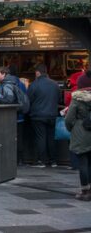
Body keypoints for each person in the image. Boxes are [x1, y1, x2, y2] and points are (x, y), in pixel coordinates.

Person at [27, 64, 60, 168]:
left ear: (37, 72)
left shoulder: (34, 84)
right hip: (52, 115)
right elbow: (59, 98)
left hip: (38, 115)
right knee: (51, 138)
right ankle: (53, 161)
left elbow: (28, 100)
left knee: (40, 138)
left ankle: (42, 161)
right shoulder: (55, 84)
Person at [65, 71, 91, 201]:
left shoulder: (77, 98)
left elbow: (69, 119)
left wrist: (73, 128)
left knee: (83, 163)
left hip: (81, 132)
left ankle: (85, 191)